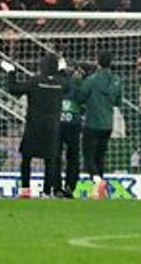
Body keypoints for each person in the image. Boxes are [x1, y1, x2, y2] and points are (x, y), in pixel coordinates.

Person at [3, 53, 64, 198]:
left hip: (34, 126)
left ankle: (25, 190)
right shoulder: (60, 83)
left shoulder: (35, 81)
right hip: (52, 127)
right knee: (50, 160)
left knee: (26, 158)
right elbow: (69, 87)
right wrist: (62, 71)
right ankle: (47, 192)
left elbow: (13, 89)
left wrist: (11, 72)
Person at [79, 51, 123, 199]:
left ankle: (97, 181)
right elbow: (118, 102)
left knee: (89, 158)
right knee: (100, 157)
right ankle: (98, 190)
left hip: (92, 123)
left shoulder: (91, 80)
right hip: (108, 124)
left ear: (98, 62)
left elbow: (81, 96)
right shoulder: (117, 80)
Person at [56, 61, 86, 198]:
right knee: (73, 156)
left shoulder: (55, 81)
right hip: (73, 122)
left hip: (57, 122)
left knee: (55, 156)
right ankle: (70, 186)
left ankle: (56, 187)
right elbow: (83, 102)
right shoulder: (78, 83)